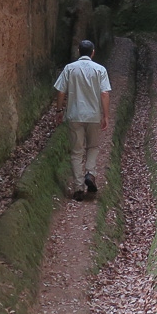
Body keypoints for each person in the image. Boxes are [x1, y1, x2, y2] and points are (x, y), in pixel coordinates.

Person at [53, 39, 111, 200]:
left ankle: (79, 187)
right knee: (93, 146)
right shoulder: (100, 70)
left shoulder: (69, 69)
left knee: (77, 151)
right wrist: (105, 115)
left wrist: (59, 110)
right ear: (93, 52)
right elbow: (105, 93)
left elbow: (61, 92)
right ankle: (90, 173)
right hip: (93, 115)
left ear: (79, 51)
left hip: (74, 115)